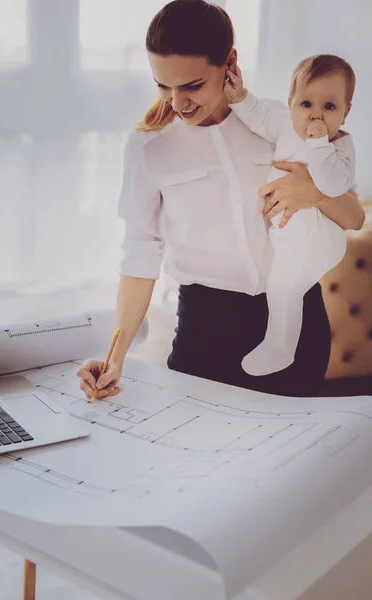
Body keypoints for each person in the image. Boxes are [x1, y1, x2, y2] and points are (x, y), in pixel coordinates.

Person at [77, 0, 364, 400]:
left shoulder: (280, 121)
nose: (178, 103)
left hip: (296, 320)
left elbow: (352, 218)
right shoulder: (148, 148)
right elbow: (140, 254)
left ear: (230, 62)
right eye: (164, 86)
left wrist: (310, 192)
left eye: (192, 85)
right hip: (205, 331)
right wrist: (116, 357)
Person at [224, 54, 355, 377]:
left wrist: (319, 144)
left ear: (346, 112)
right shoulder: (283, 123)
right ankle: (278, 345)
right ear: (291, 103)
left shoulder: (340, 145)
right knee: (280, 283)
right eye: (306, 103)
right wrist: (240, 96)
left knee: (284, 287)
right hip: (289, 236)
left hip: (315, 237)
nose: (315, 116)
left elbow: (333, 184)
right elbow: (258, 115)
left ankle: (280, 348)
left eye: (329, 107)